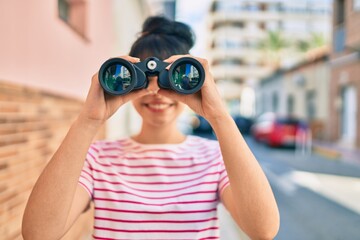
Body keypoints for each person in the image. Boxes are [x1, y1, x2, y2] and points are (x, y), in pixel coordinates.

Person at [22, 16, 279, 240]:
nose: (156, 91)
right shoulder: (98, 158)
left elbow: (263, 229)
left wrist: (219, 116)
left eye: (173, 78)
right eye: (144, 79)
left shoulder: (215, 158)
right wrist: (88, 121)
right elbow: (39, 234)